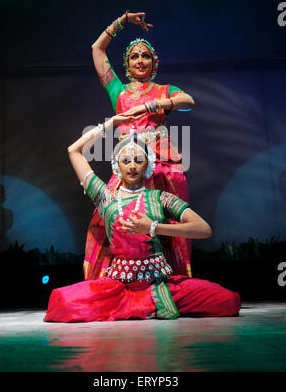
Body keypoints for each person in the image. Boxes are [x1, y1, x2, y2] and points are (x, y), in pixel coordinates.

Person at [44, 115, 241, 322]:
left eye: (138, 160)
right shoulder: (106, 197)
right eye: (126, 160)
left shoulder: (160, 198)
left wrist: (154, 227)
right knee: (62, 302)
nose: (132, 166)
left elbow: (203, 229)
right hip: (119, 286)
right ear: (116, 164)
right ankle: (141, 307)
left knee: (228, 301)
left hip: (161, 284)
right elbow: (73, 151)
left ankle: (152, 305)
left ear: (147, 164)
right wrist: (110, 125)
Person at [84, 11, 195, 283]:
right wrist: (121, 22)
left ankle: (170, 279)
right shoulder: (118, 92)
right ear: (127, 63)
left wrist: (155, 105)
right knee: (106, 217)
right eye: (134, 56)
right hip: (127, 169)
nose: (140, 60)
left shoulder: (164, 90)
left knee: (168, 221)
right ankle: (110, 281)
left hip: (162, 169)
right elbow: (97, 50)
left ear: (153, 62)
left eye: (145, 56)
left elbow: (188, 100)